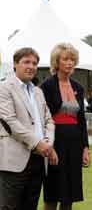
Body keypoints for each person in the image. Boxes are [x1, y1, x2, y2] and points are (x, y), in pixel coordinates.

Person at [0, 47, 57, 210]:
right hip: (14, 160)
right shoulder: (4, 88)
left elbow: (49, 120)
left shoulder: (38, 91)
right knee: (9, 207)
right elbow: (10, 121)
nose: (31, 66)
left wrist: (48, 143)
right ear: (15, 64)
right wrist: (38, 143)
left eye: (34, 63)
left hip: (39, 159)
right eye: (26, 62)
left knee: (30, 205)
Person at [40, 43, 90, 210]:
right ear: (56, 62)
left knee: (70, 194)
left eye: (72, 59)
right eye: (65, 59)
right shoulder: (46, 86)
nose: (70, 63)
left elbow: (81, 120)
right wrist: (49, 146)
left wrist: (85, 148)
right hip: (55, 144)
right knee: (53, 193)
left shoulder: (78, 87)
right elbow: (43, 119)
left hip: (75, 145)